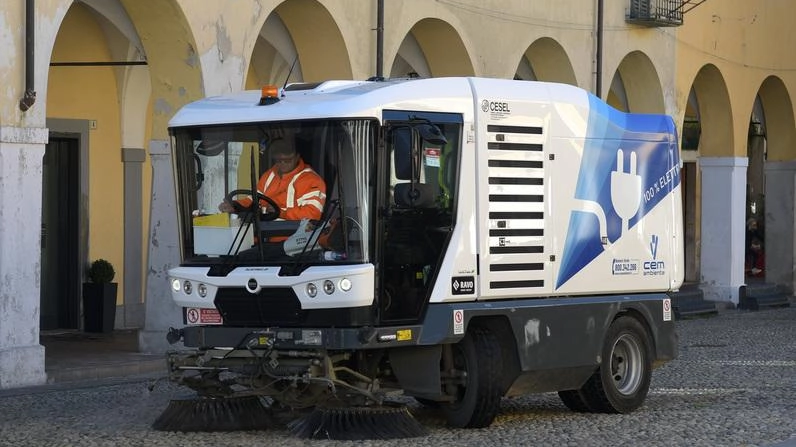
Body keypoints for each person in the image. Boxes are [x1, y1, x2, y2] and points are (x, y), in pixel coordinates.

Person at [219, 138, 326, 249]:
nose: (283, 164)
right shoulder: (269, 175)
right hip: (262, 239)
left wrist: (280, 212)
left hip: (295, 244)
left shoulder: (312, 181)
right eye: (279, 160)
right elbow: (254, 199)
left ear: (297, 157)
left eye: (287, 160)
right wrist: (235, 206)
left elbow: (312, 215)